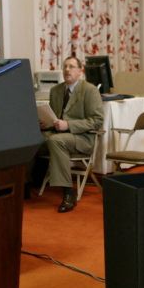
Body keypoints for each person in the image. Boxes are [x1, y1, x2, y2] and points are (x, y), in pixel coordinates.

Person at [38, 56, 103, 213]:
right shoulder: (56, 90)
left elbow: (97, 121)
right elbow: (55, 118)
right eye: (65, 66)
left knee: (56, 141)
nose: (67, 69)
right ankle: (27, 184)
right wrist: (46, 123)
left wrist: (68, 125)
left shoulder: (90, 90)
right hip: (57, 134)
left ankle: (68, 192)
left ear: (80, 71)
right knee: (29, 139)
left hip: (82, 137)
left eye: (72, 66)